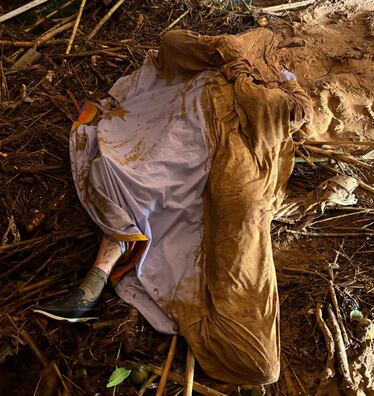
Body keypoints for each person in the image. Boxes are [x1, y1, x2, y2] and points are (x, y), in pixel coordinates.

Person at [34, 28, 312, 385]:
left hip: (240, 157)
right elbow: (172, 43)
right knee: (129, 171)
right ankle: (99, 273)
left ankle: (102, 274)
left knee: (235, 229)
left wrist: (281, 79)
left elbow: (302, 116)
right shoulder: (234, 52)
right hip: (184, 118)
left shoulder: (281, 90)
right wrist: (227, 54)